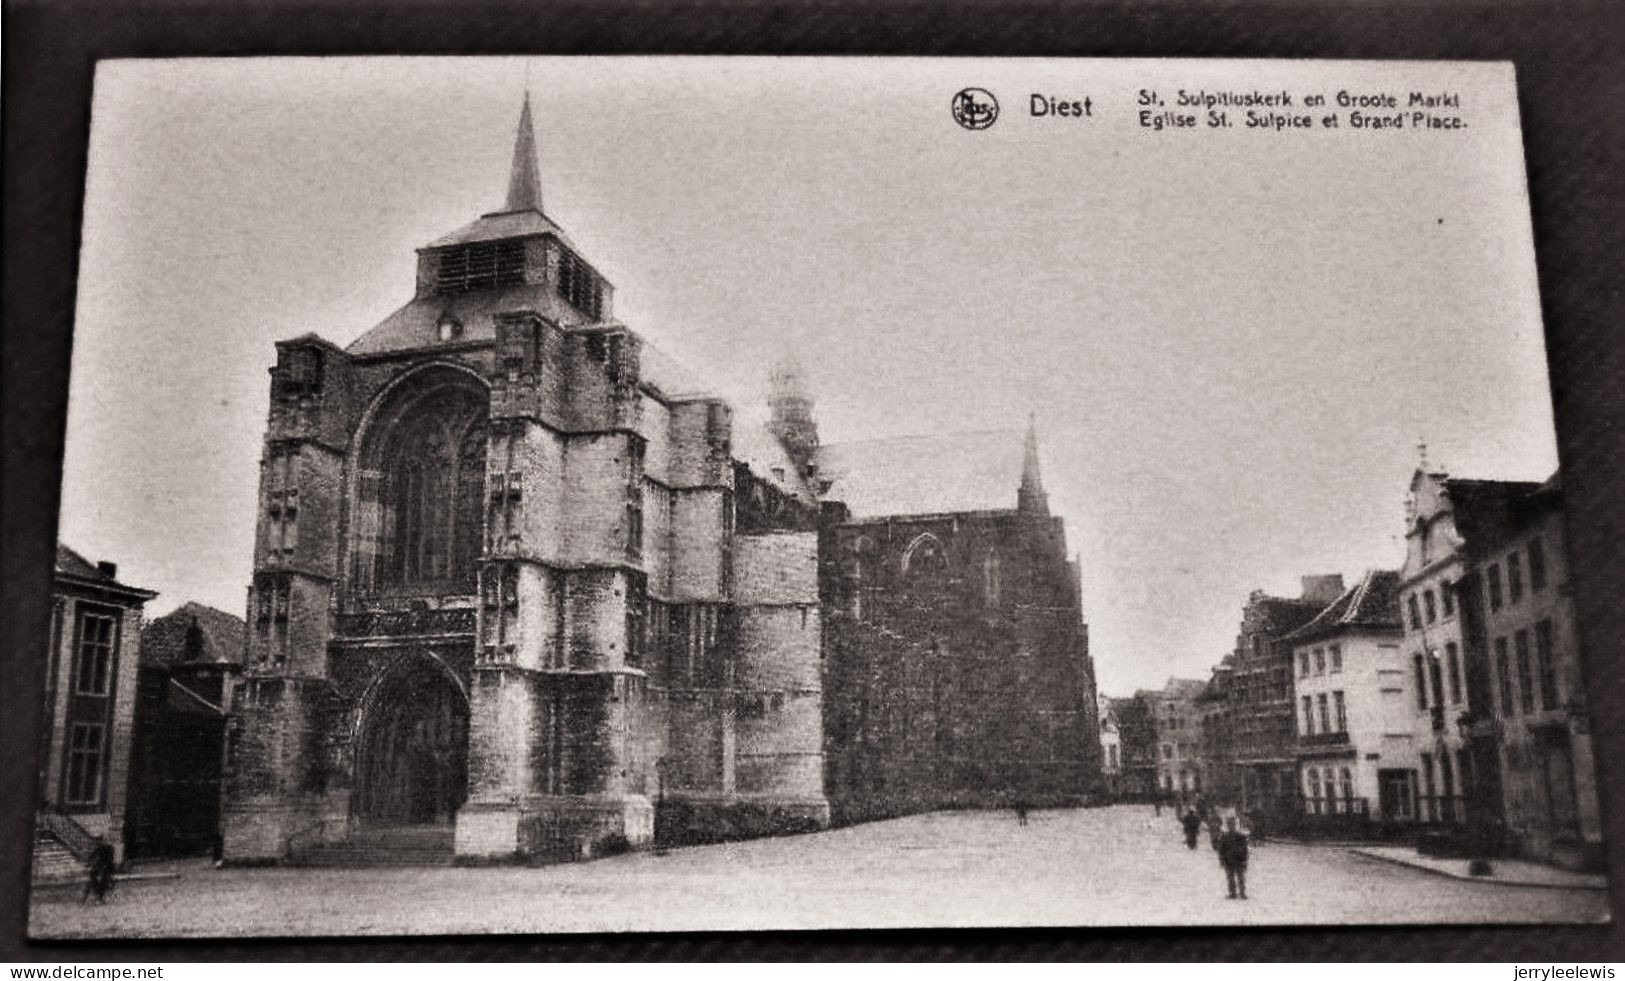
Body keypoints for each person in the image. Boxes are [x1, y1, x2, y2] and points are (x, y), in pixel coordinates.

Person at [1218, 816, 1250, 899]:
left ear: (1236, 825)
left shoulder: (1241, 836)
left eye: (1233, 824)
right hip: (1229, 860)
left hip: (1239, 860)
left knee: (1240, 878)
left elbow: (1245, 849)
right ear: (1228, 826)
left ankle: (1242, 893)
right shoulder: (1224, 837)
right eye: (1230, 824)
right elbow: (1221, 850)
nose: (1232, 826)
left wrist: (1245, 859)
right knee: (1230, 878)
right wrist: (1222, 860)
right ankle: (1233, 893)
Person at [82, 836, 115, 905]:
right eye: (100, 841)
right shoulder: (99, 848)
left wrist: (104, 867)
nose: (101, 842)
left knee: (104, 881)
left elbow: (110, 859)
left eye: (102, 841)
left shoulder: (110, 848)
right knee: (93, 879)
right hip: (99, 866)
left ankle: (100, 897)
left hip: (107, 867)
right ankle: (91, 895)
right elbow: (92, 856)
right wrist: (88, 862)